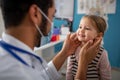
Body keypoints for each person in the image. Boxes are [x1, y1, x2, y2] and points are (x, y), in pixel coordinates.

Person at [0, 0, 102, 80]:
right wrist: (83, 63)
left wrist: (64, 52)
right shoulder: (16, 74)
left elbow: (42, 76)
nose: (52, 22)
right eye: (53, 16)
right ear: (35, 14)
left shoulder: (10, 56)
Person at [66, 15, 111, 80]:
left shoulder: (102, 53)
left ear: (98, 35)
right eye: (80, 27)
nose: (81, 30)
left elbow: (106, 76)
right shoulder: (73, 49)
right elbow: (69, 72)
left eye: (87, 28)